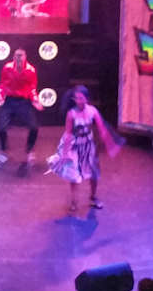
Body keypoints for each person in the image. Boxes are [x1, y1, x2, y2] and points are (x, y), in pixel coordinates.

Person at [46, 84, 119, 212]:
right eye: (76, 98)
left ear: (87, 98)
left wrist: (108, 142)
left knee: (94, 173)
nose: (78, 101)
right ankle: (74, 201)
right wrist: (65, 153)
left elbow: (101, 128)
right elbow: (68, 134)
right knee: (74, 174)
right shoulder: (71, 114)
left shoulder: (92, 111)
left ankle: (93, 197)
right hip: (75, 146)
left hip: (88, 146)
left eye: (81, 98)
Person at [0, 47, 43, 169]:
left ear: (25, 57)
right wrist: (0, 97)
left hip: (23, 102)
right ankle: (3, 150)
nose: (18, 58)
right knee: (1, 128)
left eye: (21, 56)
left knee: (34, 127)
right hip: (9, 101)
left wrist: (35, 100)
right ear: (13, 57)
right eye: (16, 56)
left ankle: (30, 150)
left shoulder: (31, 70)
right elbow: (3, 84)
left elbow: (32, 88)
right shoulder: (7, 67)